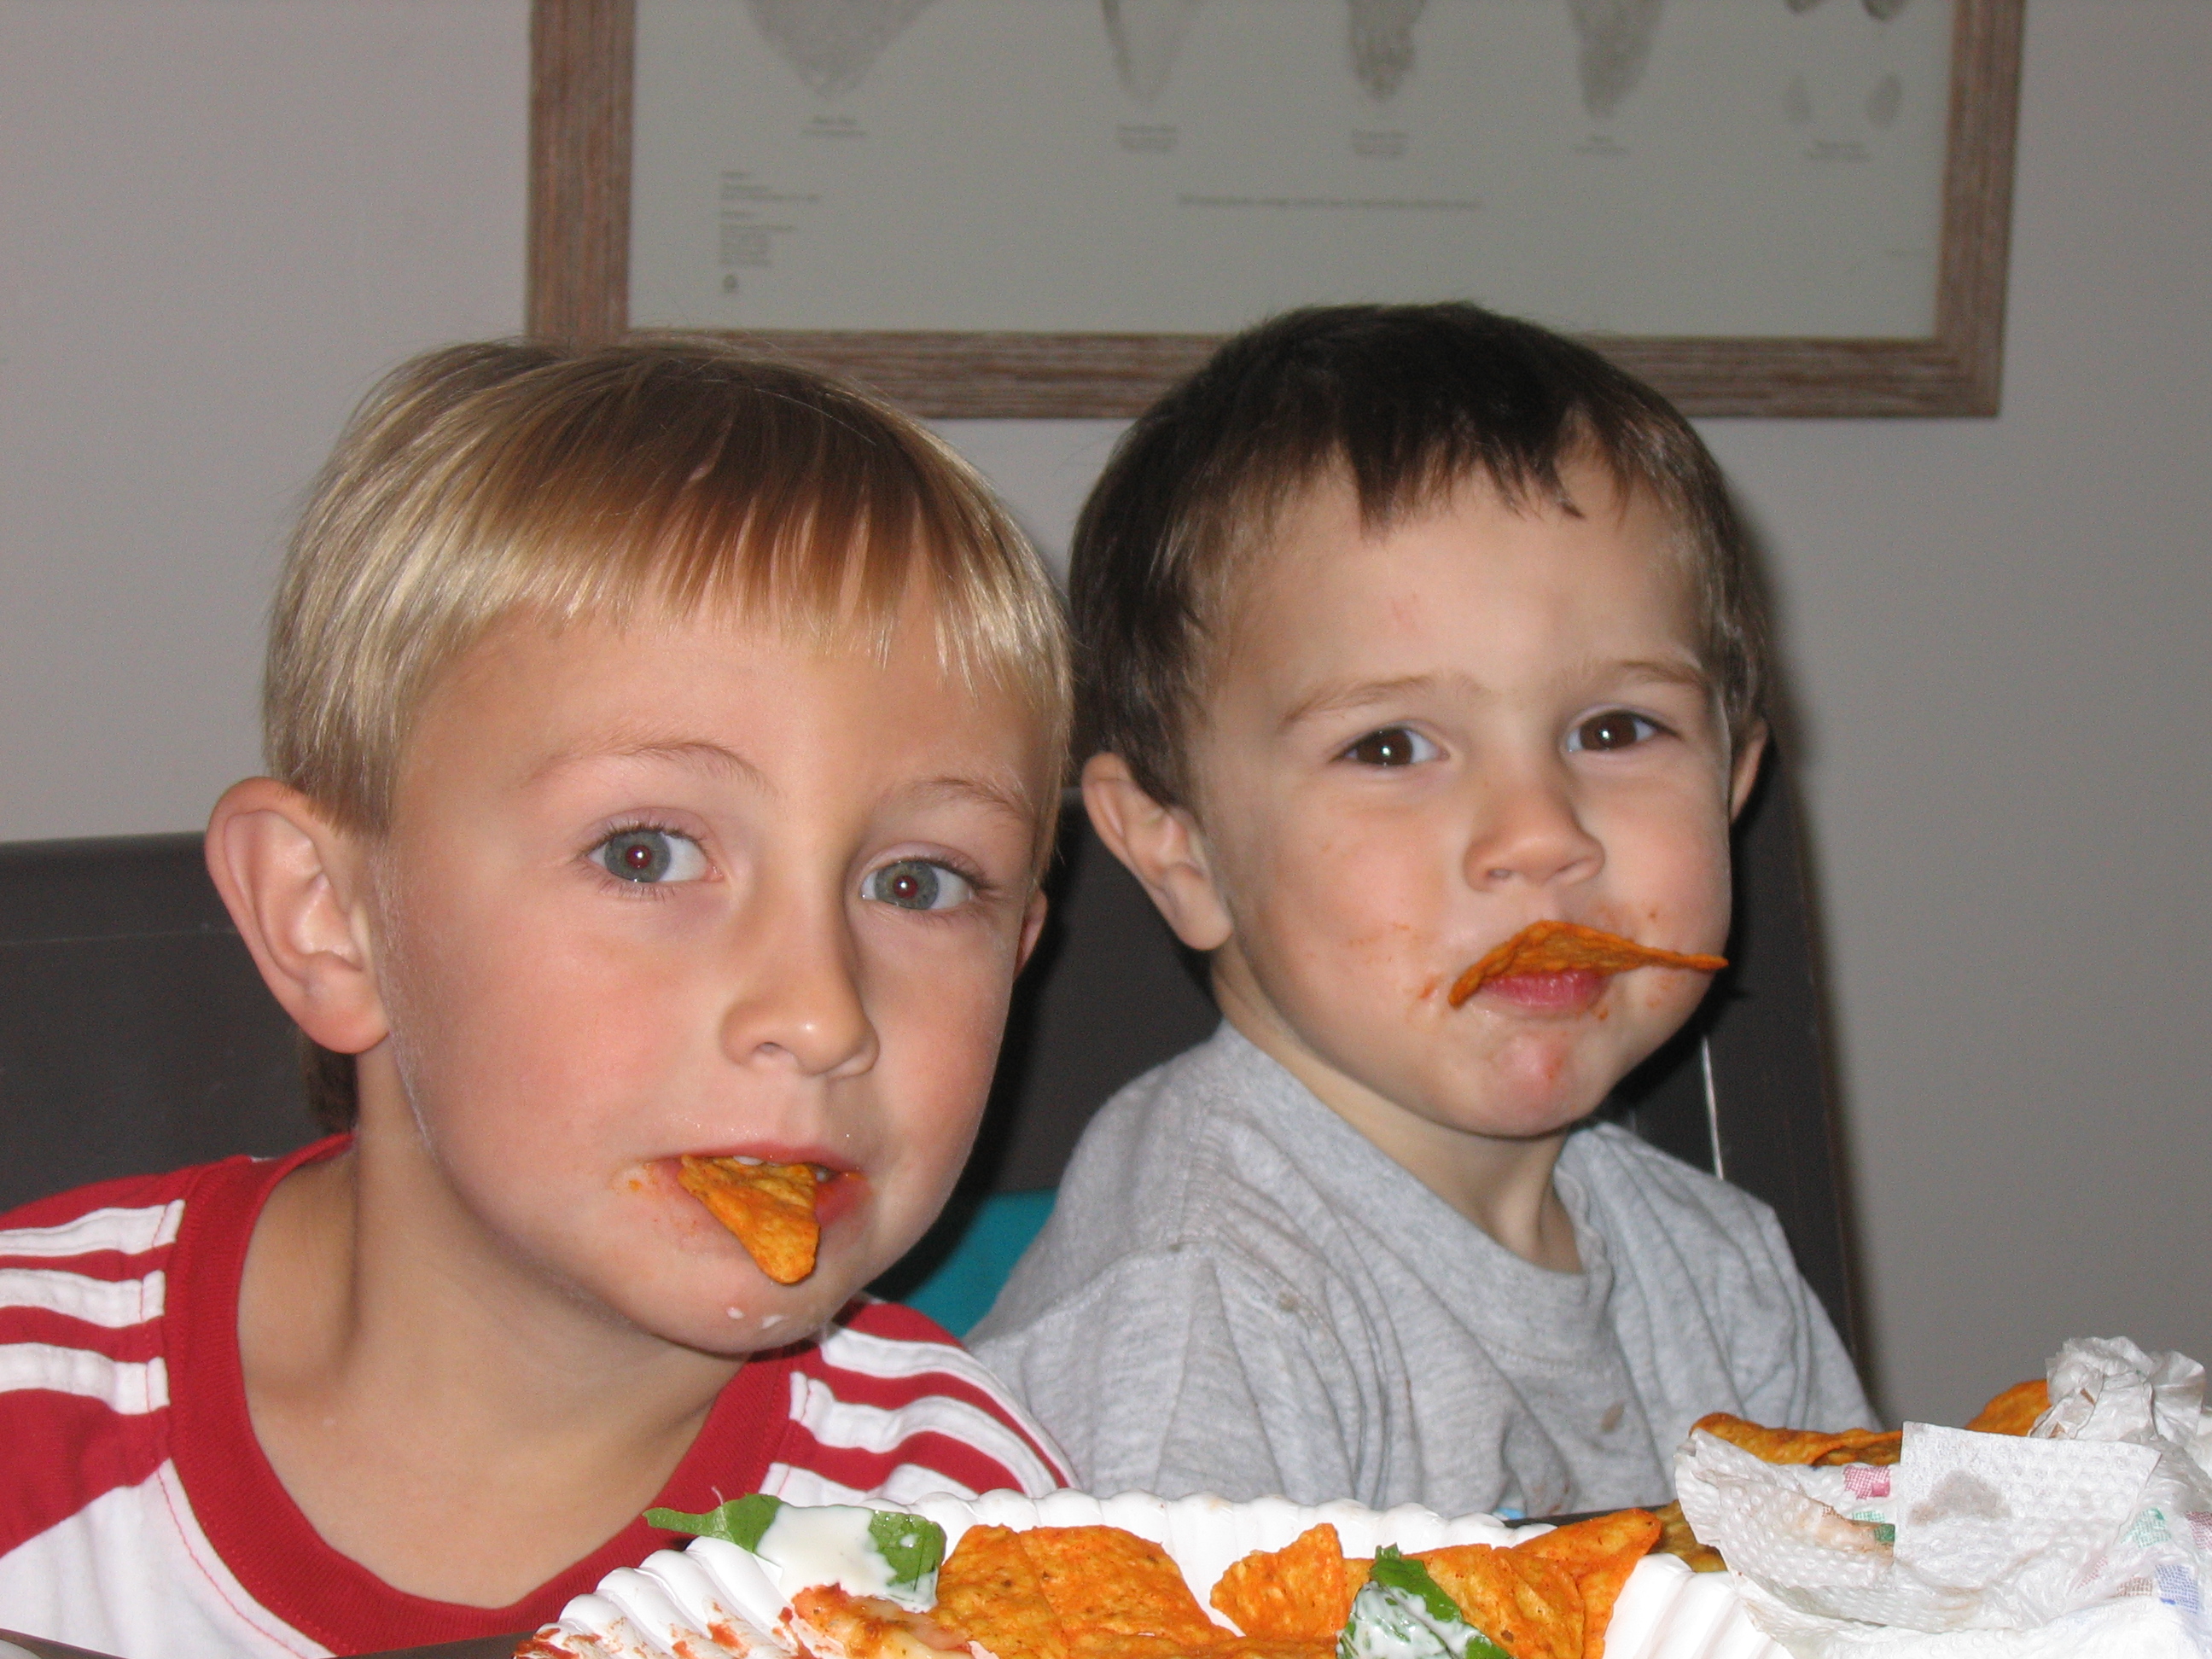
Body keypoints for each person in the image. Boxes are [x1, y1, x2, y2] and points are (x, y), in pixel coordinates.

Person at [0, 339, 1074, 1658]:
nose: (820, 1013)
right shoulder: (27, 1404)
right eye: (646, 854)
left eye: (918, 884)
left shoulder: (959, 1542)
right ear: (329, 917)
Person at [969, 303, 1876, 1518]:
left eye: (1617, 729)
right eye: (1391, 746)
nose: (1541, 836)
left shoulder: (1722, 1274)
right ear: (1181, 851)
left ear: (1733, 782)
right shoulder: (1199, 1309)